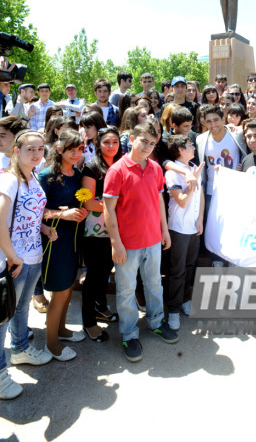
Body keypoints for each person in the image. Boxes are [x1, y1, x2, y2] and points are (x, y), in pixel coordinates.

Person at [103, 122, 178, 362]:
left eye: (152, 143)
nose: (147, 146)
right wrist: (116, 243)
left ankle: (156, 321)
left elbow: (158, 203)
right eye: (143, 140)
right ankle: (129, 334)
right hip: (127, 243)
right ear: (133, 138)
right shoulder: (117, 170)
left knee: (154, 284)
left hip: (153, 239)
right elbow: (108, 210)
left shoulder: (156, 168)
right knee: (126, 290)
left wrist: (164, 231)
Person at [0, 130, 54, 400]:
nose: (36, 154)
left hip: (33, 254)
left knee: (20, 307)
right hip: (15, 261)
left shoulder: (32, 176)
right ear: (17, 151)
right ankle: (0, 375)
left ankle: (20, 350)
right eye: (30, 149)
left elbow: (28, 212)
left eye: (40, 149)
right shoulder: (9, 180)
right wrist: (11, 256)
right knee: (2, 316)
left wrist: (44, 227)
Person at [38, 130, 88, 361]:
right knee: (58, 292)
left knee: (68, 289)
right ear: (59, 150)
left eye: (79, 149)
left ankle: (62, 330)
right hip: (54, 241)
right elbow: (35, 212)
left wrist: (81, 212)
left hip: (73, 239)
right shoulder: (46, 176)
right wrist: (64, 215)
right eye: (70, 149)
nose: (75, 153)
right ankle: (51, 343)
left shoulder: (78, 175)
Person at [81, 127, 122, 342]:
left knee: (105, 271)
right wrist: (117, 206)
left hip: (117, 228)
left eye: (114, 142)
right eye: (106, 142)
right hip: (95, 230)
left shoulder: (122, 164)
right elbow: (88, 202)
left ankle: (101, 308)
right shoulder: (91, 168)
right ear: (98, 144)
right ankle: (88, 321)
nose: (111, 146)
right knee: (94, 275)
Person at [196, 104, 247, 266]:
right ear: (204, 122)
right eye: (208, 121)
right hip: (211, 191)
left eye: (216, 120)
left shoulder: (237, 135)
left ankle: (233, 261)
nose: (213, 125)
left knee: (234, 228)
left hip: (235, 190)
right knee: (214, 230)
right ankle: (216, 262)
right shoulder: (201, 139)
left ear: (223, 119)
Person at [165, 135, 205, 330]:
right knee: (177, 270)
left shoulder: (194, 169)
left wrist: (200, 219)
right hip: (178, 228)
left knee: (190, 266)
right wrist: (192, 183)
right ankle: (173, 310)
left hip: (193, 227)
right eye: (190, 145)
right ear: (180, 149)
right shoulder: (172, 172)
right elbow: (181, 200)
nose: (194, 148)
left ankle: (185, 300)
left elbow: (201, 195)